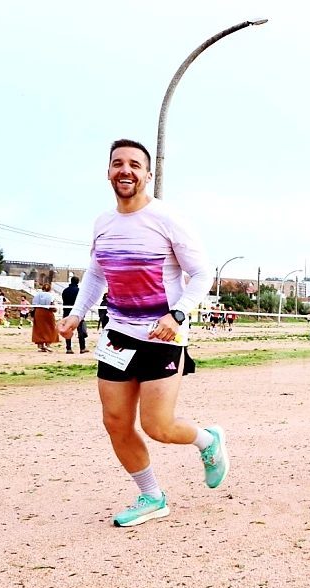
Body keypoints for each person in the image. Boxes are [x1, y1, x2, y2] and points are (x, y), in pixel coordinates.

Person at [57, 139, 227, 527]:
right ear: (108, 173)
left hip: (162, 336)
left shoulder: (168, 219)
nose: (125, 171)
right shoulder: (103, 223)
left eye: (135, 164)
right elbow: (97, 274)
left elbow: (203, 274)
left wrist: (178, 314)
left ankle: (207, 440)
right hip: (117, 335)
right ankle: (151, 496)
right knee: (115, 422)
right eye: (118, 164)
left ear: (148, 175)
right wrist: (75, 315)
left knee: (158, 427)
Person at [61, 276, 89, 354]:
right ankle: (82, 348)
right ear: (77, 282)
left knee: (68, 330)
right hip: (77, 313)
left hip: (67, 312)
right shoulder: (80, 291)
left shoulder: (65, 291)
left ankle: (69, 348)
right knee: (80, 331)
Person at [32, 283, 58, 352]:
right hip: (47, 312)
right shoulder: (50, 295)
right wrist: (55, 309)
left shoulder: (37, 295)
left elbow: (34, 305)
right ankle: (48, 344)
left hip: (38, 312)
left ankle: (40, 346)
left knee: (39, 328)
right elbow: (51, 304)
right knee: (49, 328)